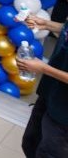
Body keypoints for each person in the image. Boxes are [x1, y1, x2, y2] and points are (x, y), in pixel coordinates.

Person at [18, 14, 68, 158]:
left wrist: (43, 68)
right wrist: (47, 24)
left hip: (63, 115)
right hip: (50, 95)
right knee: (30, 144)